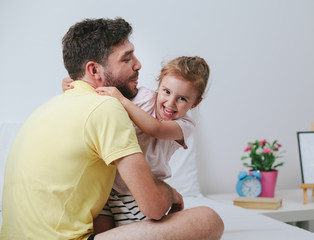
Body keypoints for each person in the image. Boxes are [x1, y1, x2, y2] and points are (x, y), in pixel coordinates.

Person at [0, 17, 223, 240]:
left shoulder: (48, 108)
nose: (138, 65)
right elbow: (153, 207)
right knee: (208, 219)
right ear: (94, 70)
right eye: (127, 59)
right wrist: (170, 192)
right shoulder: (107, 108)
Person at [62, 56, 209, 230]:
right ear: (159, 85)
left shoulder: (184, 126)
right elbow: (104, 99)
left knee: (134, 232)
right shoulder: (143, 97)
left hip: (140, 192)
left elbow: (155, 129)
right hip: (109, 187)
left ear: (196, 103)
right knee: (101, 231)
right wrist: (76, 86)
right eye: (166, 92)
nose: (170, 103)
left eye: (182, 99)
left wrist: (123, 101)